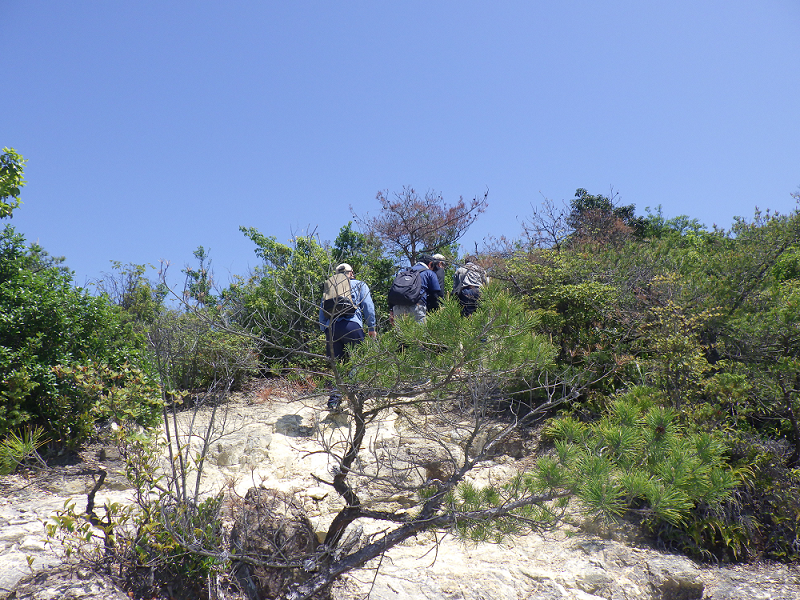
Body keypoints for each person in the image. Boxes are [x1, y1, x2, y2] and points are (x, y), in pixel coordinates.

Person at [319, 263, 377, 410]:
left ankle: (334, 402)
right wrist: (371, 327)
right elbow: (368, 306)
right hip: (352, 326)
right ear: (351, 273)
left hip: (332, 329)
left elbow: (321, 312)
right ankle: (355, 397)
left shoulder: (330, 287)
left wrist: (324, 329)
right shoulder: (359, 284)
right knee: (357, 362)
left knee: (338, 366)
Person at [389, 254, 442, 323]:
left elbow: (394, 290)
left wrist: (391, 311)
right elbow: (436, 296)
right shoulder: (429, 273)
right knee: (420, 333)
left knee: (401, 333)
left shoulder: (403, 272)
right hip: (417, 308)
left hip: (398, 309)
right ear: (430, 264)